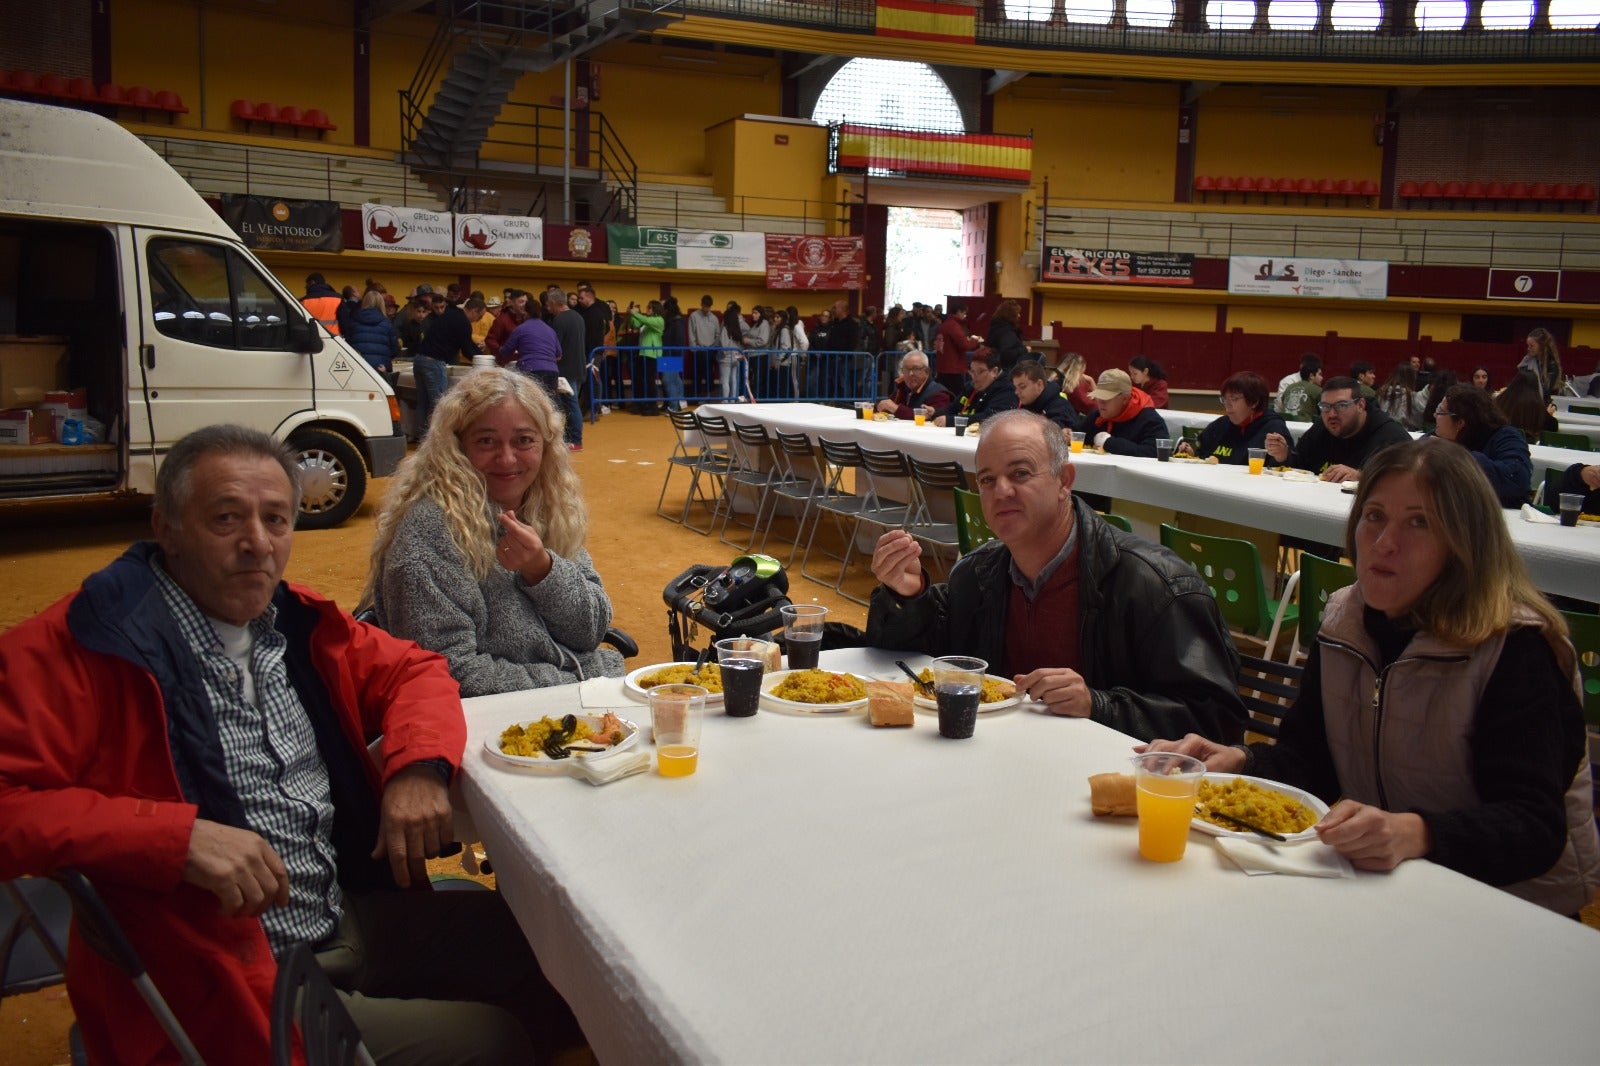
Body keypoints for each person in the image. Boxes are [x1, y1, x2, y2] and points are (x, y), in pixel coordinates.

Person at [0, 425, 569, 1063]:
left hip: (334, 914)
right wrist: (172, 837)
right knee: (498, 1044)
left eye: (277, 519)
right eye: (225, 519)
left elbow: (416, 669)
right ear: (167, 527)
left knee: (555, 957)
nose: (257, 545)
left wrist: (417, 768)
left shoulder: (289, 621)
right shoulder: (88, 644)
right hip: (217, 975)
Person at [1141, 439, 1599, 916]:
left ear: (1466, 541)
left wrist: (1415, 833)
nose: (1384, 543)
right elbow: (1309, 763)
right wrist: (1238, 762)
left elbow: (1534, 828)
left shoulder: (1515, 646)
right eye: (1374, 516)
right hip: (1396, 888)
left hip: (1515, 907)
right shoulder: (1345, 620)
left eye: (1419, 522)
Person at [865, 410, 1246, 743]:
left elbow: (1218, 722)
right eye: (986, 480)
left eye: (1020, 473)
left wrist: (1099, 705)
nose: (1002, 491)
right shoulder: (978, 573)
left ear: (1065, 480)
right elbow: (922, 663)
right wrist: (909, 595)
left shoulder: (1155, 584)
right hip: (997, 761)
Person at [365, 368, 624, 694]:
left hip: (568, 701)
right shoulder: (428, 537)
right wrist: (574, 683)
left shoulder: (545, 509)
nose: (507, 458)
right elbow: (450, 674)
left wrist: (543, 569)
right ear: (457, 446)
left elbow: (591, 629)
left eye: (524, 440)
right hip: (498, 724)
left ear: (546, 445)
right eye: (486, 441)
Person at [1264, 375, 1411, 483]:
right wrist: (1284, 456)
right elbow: (1300, 466)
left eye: (1341, 406)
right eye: (1325, 407)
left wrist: (1361, 476)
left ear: (1360, 405)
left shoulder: (1391, 437)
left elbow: (1408, 483)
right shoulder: (1322, 427)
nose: (1331, 414)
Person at [1431, 384, 1532, 508]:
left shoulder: (1506, 437)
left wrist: (1457, 456)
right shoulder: (1440, 437)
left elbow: (1517, 479)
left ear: (1460, 423)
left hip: (1504, 517)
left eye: (1440, 411)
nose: (1435, 415)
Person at [411, 296, 486, 439]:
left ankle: (420, 437)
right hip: (434, 362)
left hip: (420, 359)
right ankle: (435, 439)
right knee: (438, 404)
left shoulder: (452, 314)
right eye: (479, 316)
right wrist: (483, 360)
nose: (478, 320)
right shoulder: (463, 322)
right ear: (474, 311)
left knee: (422, 402)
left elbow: (467, 344)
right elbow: (467, 349)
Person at [1174, 371, 1289, 464]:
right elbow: (1202, 452)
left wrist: (1282, 456)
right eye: (1224, 399)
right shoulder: (1220, 425)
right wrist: (1191, 454)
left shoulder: (1273, 427)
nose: (1227, 404)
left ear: (1254, 402)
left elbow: (1292, 467)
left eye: (1234, 399)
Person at [1080, 368, 1166, 457]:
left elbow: (1156, 452)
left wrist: (1110, 443)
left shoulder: (1149, 420)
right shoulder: (1096, 417)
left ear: (1125, 398)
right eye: (1098, 396)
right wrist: (1068, 436)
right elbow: (1078, 436)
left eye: (1106, 398)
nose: (1101, 402)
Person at [499, 298, 563, 403]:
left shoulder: (521, 329)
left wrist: (499, 348)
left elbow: (505, 352)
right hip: (552, 371)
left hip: (530, 369)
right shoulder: (550, 330)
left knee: (531, 404)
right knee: (550, 404)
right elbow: (559, 355)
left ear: (525, 312)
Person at [936, 349, 1017, 427]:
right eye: (972, 371)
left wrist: (952, 421)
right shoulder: (970, 386)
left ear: (994, 371)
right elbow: (953, 408)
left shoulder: (1007, 389)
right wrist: (934, 412)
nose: (974, 377)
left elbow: (990, 418)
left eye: (980, 371)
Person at [550, 290, 588, 448]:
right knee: (572, 403)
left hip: (566, 368)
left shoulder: (559, 320)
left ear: (554, 303)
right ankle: (572, 438)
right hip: (579, 366)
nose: (547, 307)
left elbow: (556, 346)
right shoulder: (578, 317)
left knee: (570, 404)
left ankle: (575, 440)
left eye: (548, 304)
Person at [877, 350, 952, 420]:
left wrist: (896, 409)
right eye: (906, 369)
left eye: (916, 369)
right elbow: (885, 407)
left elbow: (927, 418)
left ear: (927, 371)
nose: (910, 374)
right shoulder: (902, 387)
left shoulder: (939, 394)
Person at [342, 289, 401, 375]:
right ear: (381, 304)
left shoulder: (354, 321)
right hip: (381, 367)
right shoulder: (386, 323)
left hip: (359, 366)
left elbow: (348, 345)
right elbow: (395, 349)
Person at [1496, 367, 1560, 443]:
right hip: (1529, 446)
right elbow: (1553, 427)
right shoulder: (1538, 406)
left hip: (1501, 443)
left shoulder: (1502, 400)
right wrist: (1548, 416)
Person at [933, 301, 981, 396]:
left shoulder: (945, 325)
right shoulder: (954, 326)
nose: (965, 316)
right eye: (964, 313)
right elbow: (964, 345)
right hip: (954, 368)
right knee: (956, 395)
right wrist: (976, 341)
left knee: (943, 394)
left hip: (943, 366)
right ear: (958, 311)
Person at [1012, 360, 1075, 428]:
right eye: (1016, 387)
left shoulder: (1060, 410)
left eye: (1022, 387)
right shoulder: (1029, 404)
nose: (1016, 392)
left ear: (1039, 384)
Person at [630, 299, 665, 413]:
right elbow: (636, 324)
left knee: (650, 380)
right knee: (640, 379)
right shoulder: (647, 321)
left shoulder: (659, 320)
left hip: (652, 354)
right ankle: (641, 404)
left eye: (649, 308)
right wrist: (632, 315)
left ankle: (652, 405)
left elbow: (644, 319)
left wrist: (634, 313)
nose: (647, 310)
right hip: (643, 353)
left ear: (655, 309)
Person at [688, 294, 721, 400]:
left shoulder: (714, 318)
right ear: (701, 305)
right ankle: (696, 397)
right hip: (698, 350)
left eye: (709, 307)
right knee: (697, 375)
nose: (707, 309)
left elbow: (718, 335)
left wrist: (714, 348)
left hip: (710, 350)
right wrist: (694, 348)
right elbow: (691, 333)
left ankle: (708, 397)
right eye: (705, 306)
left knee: (709, 375)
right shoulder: (694, 316)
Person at [1376, 362, 1427, 430]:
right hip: (1404, 434)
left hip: (1382, 430)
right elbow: (1418, 422)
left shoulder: (1381, 392)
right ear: (1412, 378)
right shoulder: (1412, 396)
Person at [1520, 327, 1564, 399]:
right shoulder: (1528, 360)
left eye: (1532, 346)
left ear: (1542, 345)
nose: (1528, 348)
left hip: (1542, 403)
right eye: (1528, 345)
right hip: (1527, 400)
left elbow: (1545, 390)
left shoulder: (1552, 365)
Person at [1277, 353, 1324, 421]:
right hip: (1305, 426)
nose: (1322, 378)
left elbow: (1280, 406)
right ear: (1311, 376)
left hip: (1285, 422)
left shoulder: (1289, 387)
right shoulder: (1318, 390)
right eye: (1320, 374)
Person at [986, 300, 1029, 371]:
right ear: (1011, 315)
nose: (1019, 315)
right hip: (1005, 371)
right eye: (1017, 313)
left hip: (992, 368)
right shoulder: (1007, 331)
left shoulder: (996, 327)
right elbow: (1007, 354)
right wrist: (1025, 349)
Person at [301, 272, 342, 336]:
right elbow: (345, 323)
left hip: (311, 339)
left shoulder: (303, 301)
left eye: (307, 285)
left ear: (312, 282)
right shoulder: (338, 298)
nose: (306, 287)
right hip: (334, 340)